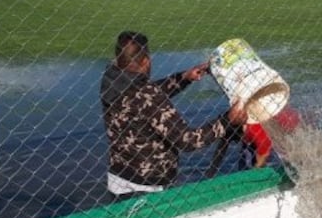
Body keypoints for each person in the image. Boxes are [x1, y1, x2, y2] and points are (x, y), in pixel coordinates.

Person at [100, 31, 247, 200]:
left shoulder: (112, 81)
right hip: (148, 186)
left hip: (118, 178)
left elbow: (144, 97)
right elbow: (188, 140)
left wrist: (183, 78)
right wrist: (226, 121)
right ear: (146, 61)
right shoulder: (146, 95)